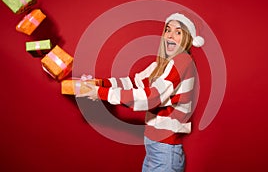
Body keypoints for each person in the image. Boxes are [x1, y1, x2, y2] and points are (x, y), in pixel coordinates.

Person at [76, 12, 204, 172]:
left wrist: (101, 93)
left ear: (187, 38)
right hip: (155, 147)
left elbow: (152, 97)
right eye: (168, 30)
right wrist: (100, 83)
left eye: (178, 32)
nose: (170, 35)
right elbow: (134, 82)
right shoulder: (163, 64)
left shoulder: (182, 61)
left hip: (165, 151)